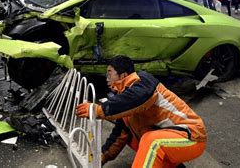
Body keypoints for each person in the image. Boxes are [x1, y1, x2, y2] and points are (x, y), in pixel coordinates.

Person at [75, 55, 206, 167]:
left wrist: (98, 109)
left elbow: (136, 98)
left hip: (191, 136)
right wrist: (102, 156)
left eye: (109, 73)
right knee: (134, 137)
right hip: (171, 137)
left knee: (152, 142)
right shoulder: (126, 102)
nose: (107, 78)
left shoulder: (144, 81)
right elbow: (120, 134)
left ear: (123, 75)